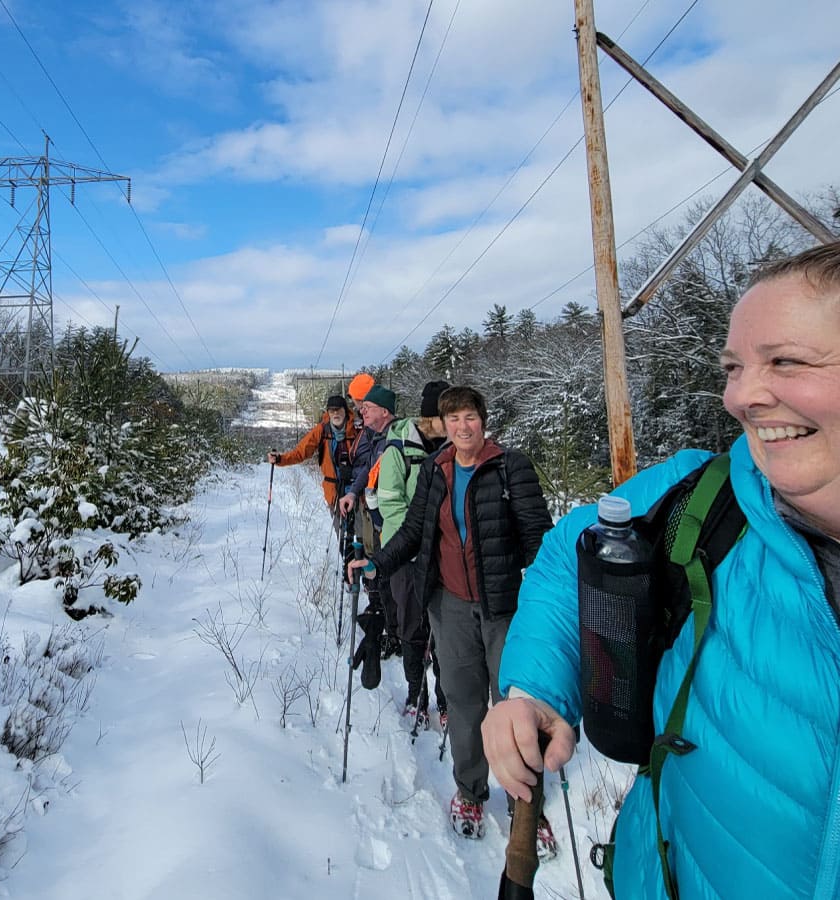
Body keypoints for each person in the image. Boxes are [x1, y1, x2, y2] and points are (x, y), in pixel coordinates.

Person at [483, 242, 840, 900]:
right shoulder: (703, 500)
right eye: (734, 366)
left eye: (785, 361)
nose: (743, 397)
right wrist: (532, 688)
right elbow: (572, 552)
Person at [348, 385, 554, 845]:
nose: (463, 427)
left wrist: (547, 599)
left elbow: (540, 538)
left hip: (503, 607)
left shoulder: (510, 467)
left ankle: (527, 806)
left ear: (484, 420)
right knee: (463, 703)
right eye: (454, 419)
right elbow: (414, 532)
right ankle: (471, 790)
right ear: (443, 424)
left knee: (516, 706)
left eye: (471, 418)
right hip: (449, 605)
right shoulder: (436, 471)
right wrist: (379, 561)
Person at [373, 380, 451, 722]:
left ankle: (446, 700)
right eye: (448, 416)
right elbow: (391, 504)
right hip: (405, 553)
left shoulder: (455, 447)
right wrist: (419, 541)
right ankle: (415, 694)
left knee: (446, 632)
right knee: (412, 627)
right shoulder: (399, 448)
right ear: (432, 417)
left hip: (444, 554)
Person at [340, 382, 399, 651]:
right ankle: (383, 618)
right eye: (360, 405)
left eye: (367, 406)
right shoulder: (376, 437)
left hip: (391, 519)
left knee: (389, 570)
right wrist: (353, 492)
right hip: (373, 511)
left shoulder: (394, 439)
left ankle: (394, 630)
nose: (361, 411)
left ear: (384, 412)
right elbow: (369, 470)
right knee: (376, 564)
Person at [267, 393, 358, 535]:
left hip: (357, 490)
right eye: (332, 410)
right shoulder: (322, 430)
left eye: (338, 409)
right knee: (342, 537)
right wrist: (280, 459)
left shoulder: (357, 429)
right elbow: (301, 452)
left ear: (345, 410)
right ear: (328, 412)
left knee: (360, 538)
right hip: (333, 491)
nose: (335, 413)